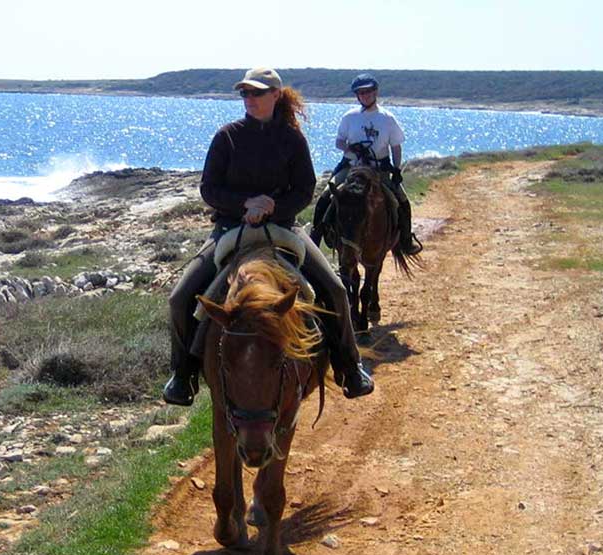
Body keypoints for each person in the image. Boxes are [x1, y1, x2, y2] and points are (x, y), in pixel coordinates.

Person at [163, 67, 374, 406]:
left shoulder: (292, 139)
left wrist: (271, 208)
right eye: (245, 93)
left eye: (257, 93)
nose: (249, 99)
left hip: (283, 229)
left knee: (334, 290)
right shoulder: (227, 136)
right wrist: (245, 204)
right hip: (230, 229)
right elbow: (209, 188)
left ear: (276, 95)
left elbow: (304, 189)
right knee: (179, 297)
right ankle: (182, 374)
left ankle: (350, 366)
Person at [310, 74, 422, 255]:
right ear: (357, 95)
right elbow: (339, 142)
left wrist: (397, 169)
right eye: (361, 93)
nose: (365, 95)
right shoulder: (349, 117)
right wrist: (349, 147)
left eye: (368, 92)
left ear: (375, 92)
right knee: (325, 196)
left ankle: (406, 240)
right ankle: (316, 237)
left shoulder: (387, 118)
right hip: (352, 167)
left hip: (379, 168)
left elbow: (396, 146)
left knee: (402, 200)